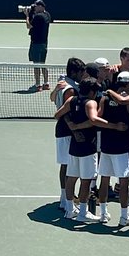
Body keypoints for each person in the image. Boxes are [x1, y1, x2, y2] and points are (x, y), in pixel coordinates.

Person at [55, 78, 127, 223]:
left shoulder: (72, 101)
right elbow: (94, 119)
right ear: (92, 92)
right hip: (88, 147)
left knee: (71, 178)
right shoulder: (91, 103)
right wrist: (115, 126)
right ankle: (82, 212)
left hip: (74, 146)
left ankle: (69, 210)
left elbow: (58, 114)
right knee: (86, 180)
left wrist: (72, 126)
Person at [97, 71, 129, 226]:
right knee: (123, 183)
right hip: (122, 147)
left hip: (106, 145)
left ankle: (103, 214)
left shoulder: (105, 98)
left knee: (104, 179)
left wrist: (110, 126)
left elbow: (98, 118)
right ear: (128, 84)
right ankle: (124, 217)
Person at [50, 57, 86, 213]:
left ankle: (64, 197)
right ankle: (66, 200)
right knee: (68, 165)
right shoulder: (70, 89)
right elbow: (66, 112)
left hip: (63, 130)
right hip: (66, 130)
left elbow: (52, 99)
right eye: (80, 72)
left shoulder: (63, 82)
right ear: (73, 72)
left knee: (66, 165)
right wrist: (75, 130)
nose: (82, 75)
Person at [26, 0, 51, 91]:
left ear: (41, 6)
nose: (35, 8)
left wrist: (27, 15)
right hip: (44, 44)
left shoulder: (38, 16)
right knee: (43, 64)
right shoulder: (47, 15)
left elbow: (29, 26)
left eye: (36, 6)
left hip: (36, 44)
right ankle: (46, 83)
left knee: (36, 65)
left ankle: (38, 85)